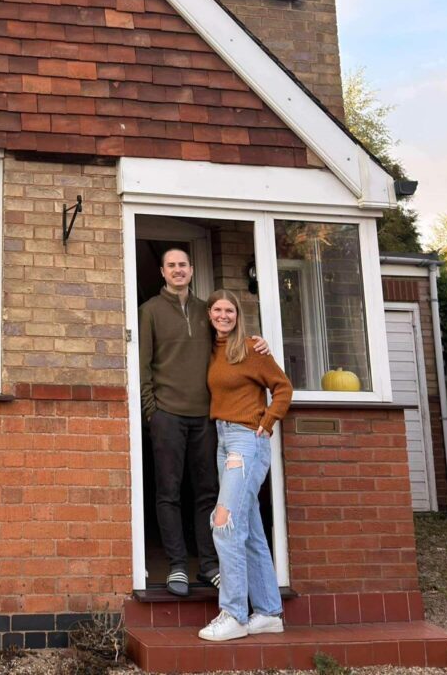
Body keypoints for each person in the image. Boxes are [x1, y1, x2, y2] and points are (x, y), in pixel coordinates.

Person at [138, 248, 269, 597]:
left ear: (192, 270)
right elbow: (142, 365)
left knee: (208, 492)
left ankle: (208, 564)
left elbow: (230, 340)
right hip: (167, 415)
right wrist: (152, 412)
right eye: (171, 265)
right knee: (168, 492)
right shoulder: (149, 311)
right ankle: (177, 565)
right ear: (163, 272)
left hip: (207, 418)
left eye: (183, 265)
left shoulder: (205, 311)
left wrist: (258, 343)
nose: (177, 270)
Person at [197, 289, 292, 642]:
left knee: (224, 523)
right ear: (210, 314)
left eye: (230, 310)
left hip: (246, 441)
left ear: (238, 315)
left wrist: (267, 422)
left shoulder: (252, 348)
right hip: (223, 440)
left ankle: (235, 614)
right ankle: (268, 612)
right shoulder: (212, 350)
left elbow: (283, 388)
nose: (223, 316)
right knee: (248, 528)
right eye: (217, 310)